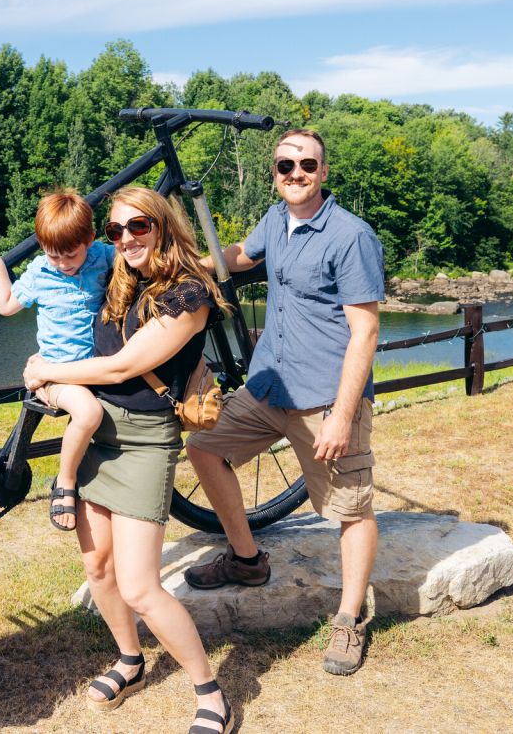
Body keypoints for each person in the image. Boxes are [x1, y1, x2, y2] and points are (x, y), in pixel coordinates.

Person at [23, 186, 235, 734]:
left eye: (137, 227)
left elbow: (119, 368)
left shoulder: (191, 295)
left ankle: (209, 689)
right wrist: (46, 361)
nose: (126, 239)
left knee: (140, 584)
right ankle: (130, 659)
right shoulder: (117, 278)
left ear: (161, 225)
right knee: (98, 568)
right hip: (97, 433)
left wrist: (46, 369)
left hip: (144, 442)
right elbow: (66, 315)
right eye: (116, 231)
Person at [182, 128, 384, 677]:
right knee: (203, 449)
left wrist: (343, 414)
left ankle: (348, 618)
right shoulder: (276, 221)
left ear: (324, 171)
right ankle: (247, 561)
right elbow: (243, 255)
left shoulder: (351, 235)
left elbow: (364, 331)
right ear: (274, 172)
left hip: (324, 397)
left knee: (350, 510)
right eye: (284, 165)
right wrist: (193, 266)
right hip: (270, 386)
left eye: (306, 165)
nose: (295, 174)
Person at [0, 191, 114, 532]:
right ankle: (65, 482)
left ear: (89, 239)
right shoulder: (39, 272)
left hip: (89, 368)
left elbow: (134, 258)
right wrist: (0, 265)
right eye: (54, 255)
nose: (63, 263)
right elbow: (5, 306)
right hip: (53, 376)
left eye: (70, 255)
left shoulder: (102, 257)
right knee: (90, 413)